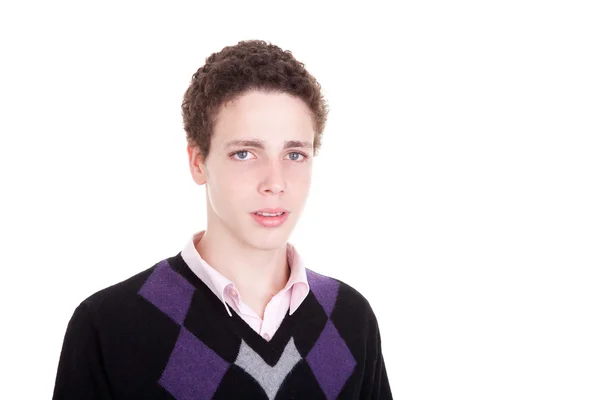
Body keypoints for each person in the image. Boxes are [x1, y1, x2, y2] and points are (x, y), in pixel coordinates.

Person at [52, 39, 393, 399]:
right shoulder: (110, 327)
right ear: (198, 162)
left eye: (294, 154)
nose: (275, 182)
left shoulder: (348, 319)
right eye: (245, 153)